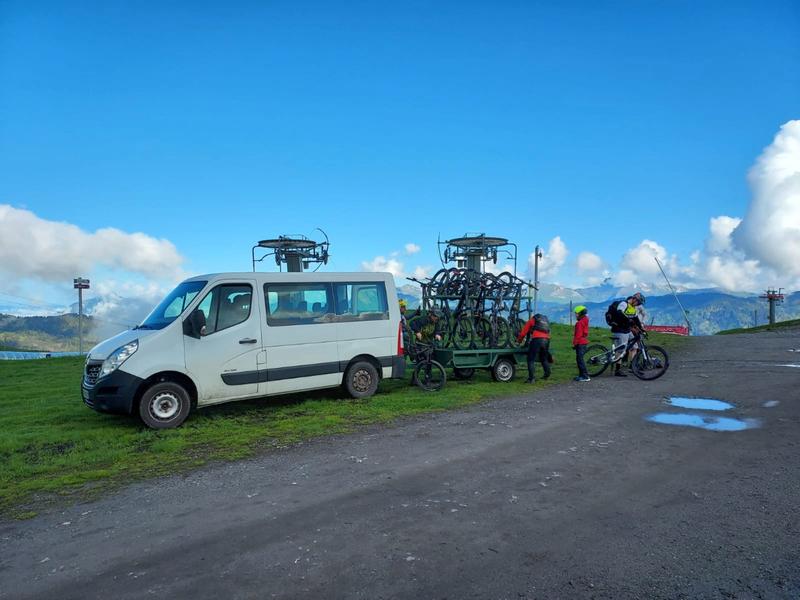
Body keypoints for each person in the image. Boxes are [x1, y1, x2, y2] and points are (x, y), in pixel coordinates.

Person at [608, 292, 645, 377]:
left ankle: (633, 366)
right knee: (621, 350)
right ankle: (617, 370)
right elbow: (619, 313)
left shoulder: (633, 308)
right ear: (634, 299)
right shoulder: (623, 304)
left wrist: (641, 328)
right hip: (619, 330)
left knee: (634, 346)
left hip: (627, 330)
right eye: (638, 302)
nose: (638, 304)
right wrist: (628, 320)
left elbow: (636, 319)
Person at [516, 313, 551, 383]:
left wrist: (519, 340)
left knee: (530, 359)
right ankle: (547, 374)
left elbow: (523, 333)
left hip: (537, 339)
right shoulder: (545, 320)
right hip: (547, 339)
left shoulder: (532, 320)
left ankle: (531, 379)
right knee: (544, 358)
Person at [572, 305, 590, 382]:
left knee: (580, 360)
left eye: (577, 313)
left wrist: (575, 343)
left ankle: (585, 376)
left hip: (580, 343)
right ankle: (581, 375)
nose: (575, 315)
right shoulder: (585, 320)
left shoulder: (579, 323)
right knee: (579, 359)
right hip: (584, 342)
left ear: (581, 313)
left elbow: (578, 335)